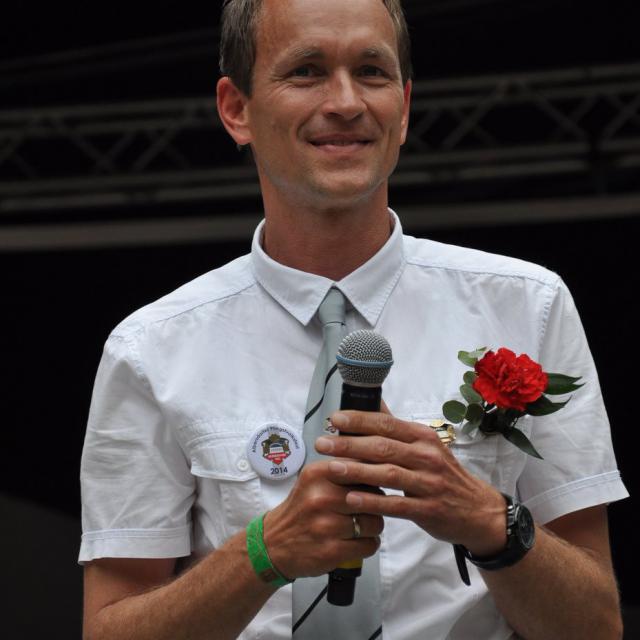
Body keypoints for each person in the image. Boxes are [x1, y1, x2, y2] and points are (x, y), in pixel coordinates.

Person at [79, 1, 628, 638]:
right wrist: (263, 554)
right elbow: (108, 628)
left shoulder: (527, 305)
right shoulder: (150, 348)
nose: (345, 102)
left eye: (371, 71)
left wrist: (489, 521)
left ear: (405, 106)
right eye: (307, 71)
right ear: (236, 109)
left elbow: (595, 626)